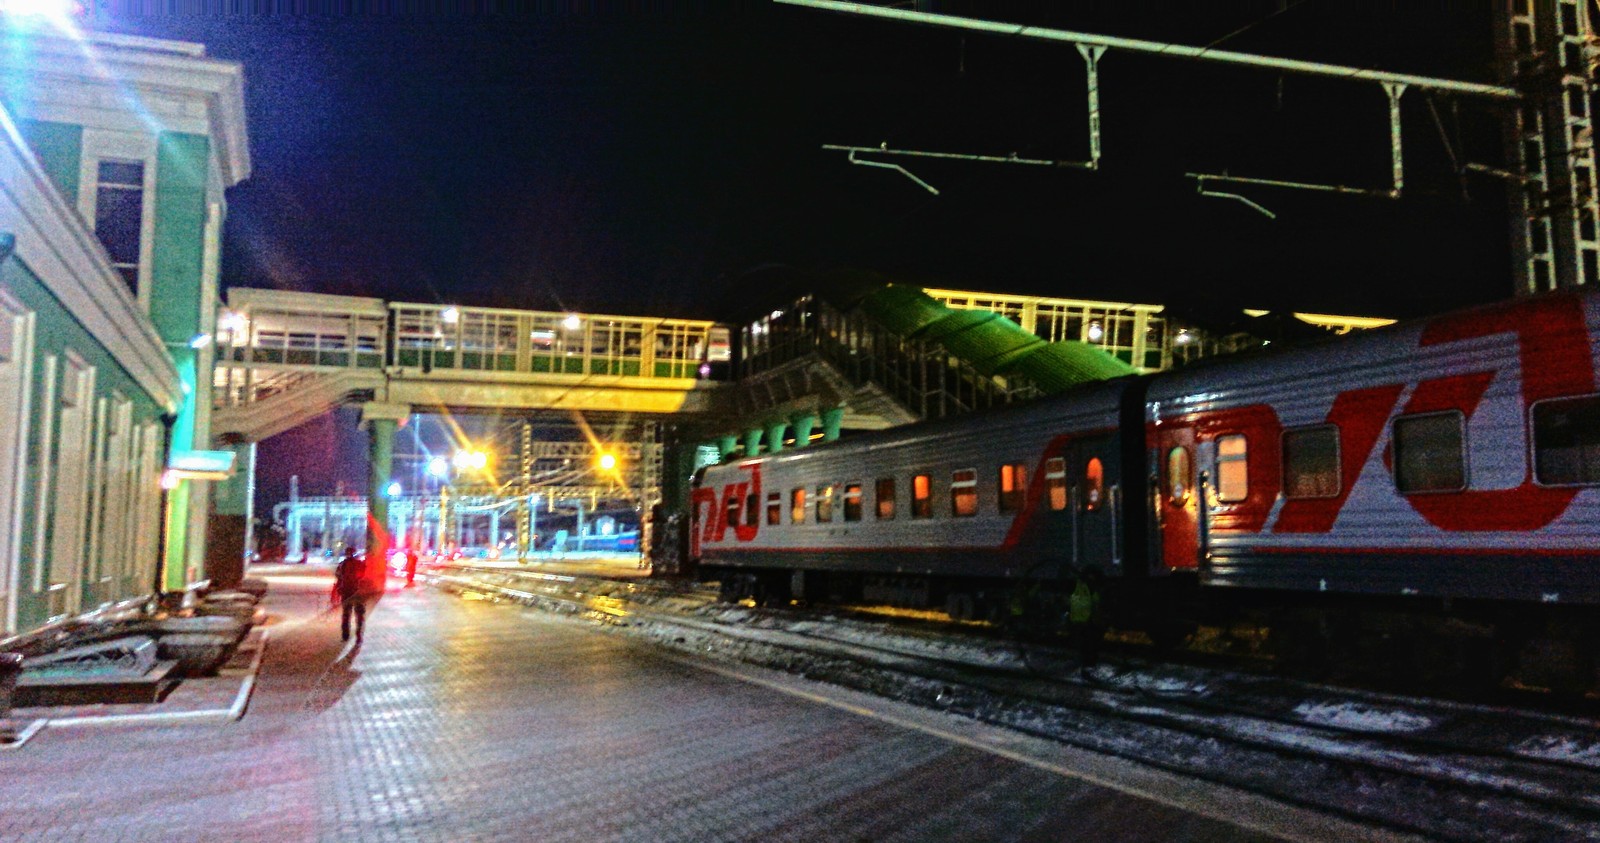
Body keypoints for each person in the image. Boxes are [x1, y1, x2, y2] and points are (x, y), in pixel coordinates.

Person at [1068, 568, 1105, 678]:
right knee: (1087, 646)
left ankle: (1086, 668)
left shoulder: (1081, 587)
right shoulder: (1090, 588)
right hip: (1084, 622)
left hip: (1082, 621)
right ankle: (1087, 669)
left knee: (1086, 647)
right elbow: (1095, 604)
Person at [335, 546, 368, 642]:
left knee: (346, 615)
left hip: (347, 592)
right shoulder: (359, 564)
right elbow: (364, 576)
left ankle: (345, 636)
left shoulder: (342, 565)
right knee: (359, 615)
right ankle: (358, 636)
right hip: (357, 593)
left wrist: (338, 590)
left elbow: (338, 578)